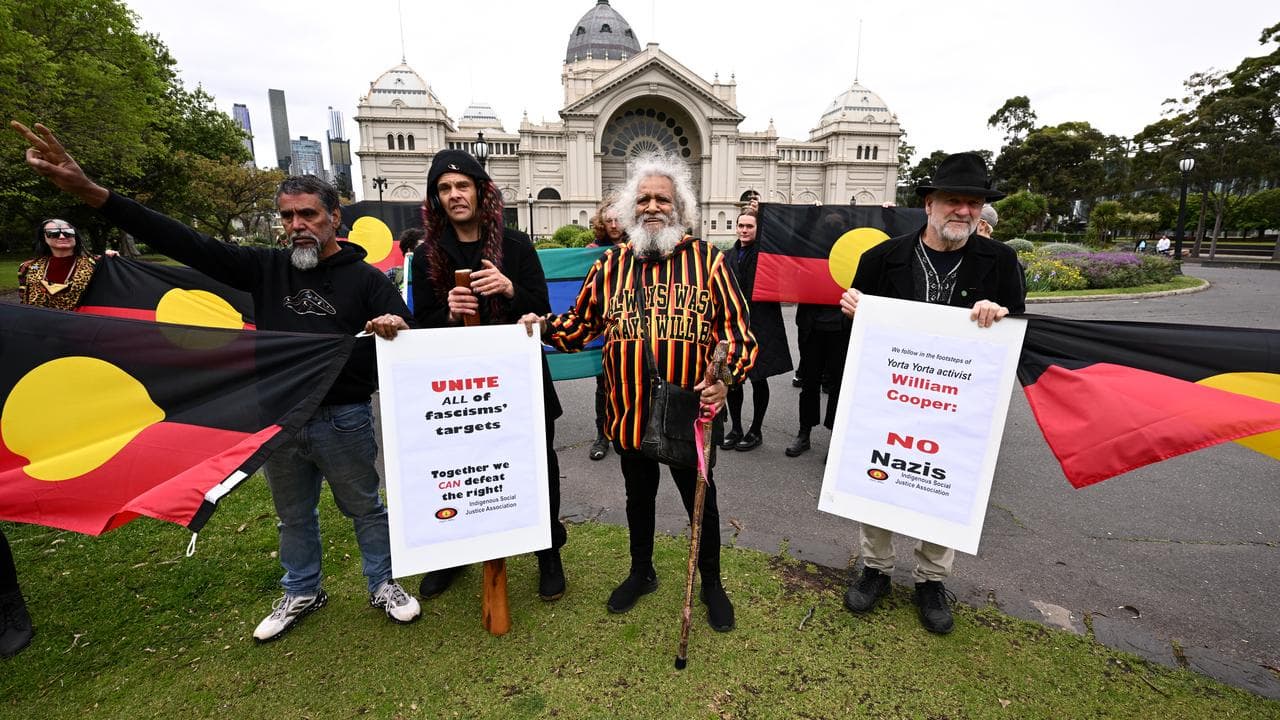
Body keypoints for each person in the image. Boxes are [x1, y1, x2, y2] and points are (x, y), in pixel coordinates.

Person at [12, 120, 421, 642]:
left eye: (309, 214)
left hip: (343, 418)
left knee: (365, 506)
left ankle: (382, 582)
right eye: (287, 216)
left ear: (334, 218)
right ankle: (301, 589)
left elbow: (409, 331)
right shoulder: (263, 269)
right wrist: (94, 194)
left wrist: (393, 326)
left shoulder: (365, 279)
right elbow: (185, 241)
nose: (297, 225)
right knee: (292, 515)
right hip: (278, 419)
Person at [521, 153, 757, 632]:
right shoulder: (609, 266)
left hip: (688, 416)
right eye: (644, 198)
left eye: (662, 199)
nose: (653, 207)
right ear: (631, 209)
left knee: (700, 504)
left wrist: (723, 380)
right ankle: (640, 571)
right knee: (637, 498)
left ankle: (710, 583)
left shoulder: (709, 263)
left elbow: (738, 337)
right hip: (627, 413)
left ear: (679, 208)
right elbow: (577, 327)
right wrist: (539, 324)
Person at [838, 151, 1024, 635]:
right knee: (880, 473)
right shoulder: (881, 258)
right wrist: (852, 308)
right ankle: (875, 567)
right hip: (892, 396)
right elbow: (857, 333)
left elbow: (1019, 327)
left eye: (974, 203)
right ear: (928, 203)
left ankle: (930, 579)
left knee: (944, 482)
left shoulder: (1000, 261)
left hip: (958, 403)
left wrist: (999, 313)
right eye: (953, 201)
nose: (964, 211)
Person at [409, 149, 568, 603]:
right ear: (435, 199)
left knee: (538, 464)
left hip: (517, 380)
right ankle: (457, 550)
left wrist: (511, 288)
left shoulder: (515, 245)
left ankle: (547, 549)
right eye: (444, 188)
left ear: (481, 191)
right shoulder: (427, 256)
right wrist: (449, 315)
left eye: (462, 186)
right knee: (460, 468)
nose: (455, 195)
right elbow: (422, 326)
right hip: (458, 389)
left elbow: (542, 307)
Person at [721, 208, 791, 451]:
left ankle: (756, 430)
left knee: (759, 380)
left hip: (762, 325)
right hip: (734, 327)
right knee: (732, 380)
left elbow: (789, 240)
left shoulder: (766, 256)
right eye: (741, 225)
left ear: (758, 229)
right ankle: (736, 428)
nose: (744, 230)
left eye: (749, 226)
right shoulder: (727, 256)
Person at [586, 195, 625, 461]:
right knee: (603, 385)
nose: (613, 225)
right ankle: (602, 435)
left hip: (632, 327)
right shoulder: (591, 251)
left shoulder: (639, 246)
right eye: (608, 220)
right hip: (603, 327)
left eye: (618, 219)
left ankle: (630, 432)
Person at [17, 218, 116, 309]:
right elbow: (24, 300)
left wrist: (113, 260)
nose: (62, 236)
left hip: (82, 324)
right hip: (39, 324)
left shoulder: (98, 264)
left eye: (68, 232)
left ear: (75, 236)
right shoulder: (27, 267)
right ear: (43, 239)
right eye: (53, 233)